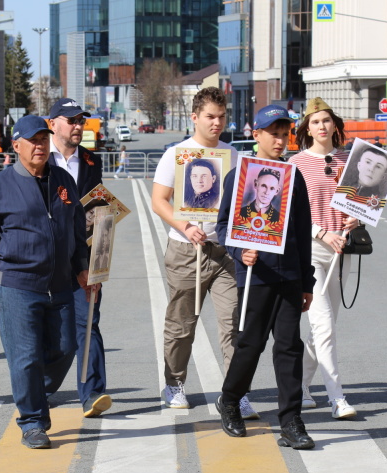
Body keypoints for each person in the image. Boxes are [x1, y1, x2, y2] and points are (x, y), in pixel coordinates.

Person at [0, 115, 90, 449]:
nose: (40, 146)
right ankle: (33, 421)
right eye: (33, 140)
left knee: (66, 347)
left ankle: (34, 390)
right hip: (19, 285)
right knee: (25, 357)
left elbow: (77, 229)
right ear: (17, 145)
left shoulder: (64, 180)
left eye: (44, 139)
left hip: (61, 284)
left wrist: (82, 267)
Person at [215, 104, 316, 449]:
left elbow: (303, 232)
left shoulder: (293, 177)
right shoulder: (239, 176)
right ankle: (230, 400)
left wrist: (307, 281)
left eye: (284, 132)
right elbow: (224, 225)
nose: (280, 139)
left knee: (289, 347)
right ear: (255, 134)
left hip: (288, 275)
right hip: (255, 274)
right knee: (250, 345)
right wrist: (238, 253)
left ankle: (291, 421)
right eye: (273, 133)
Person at [151, 87, 253, 417]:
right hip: (185, 250)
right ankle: (174, 384)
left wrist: (248, 239)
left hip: (224, 252)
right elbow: (159, 200)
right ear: (195, 117)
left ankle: (236, 392)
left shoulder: (234, 155)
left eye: (222, 117)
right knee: (182, 324)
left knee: (232, 324)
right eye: (210, 116)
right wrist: (185, 227)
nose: (217, 123)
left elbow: (244, 204)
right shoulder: (177, 154)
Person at [290, 98, 360, 419]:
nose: (321, 126)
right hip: (311, 250)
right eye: (315, 122)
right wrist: (321, 233)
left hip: (342, 251)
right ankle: (337, 399)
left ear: (334, 125)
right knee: (324, 326)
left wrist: (355, 219)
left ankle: (301, 387)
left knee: (326, 327)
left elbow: (363, 201)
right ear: (307, 128)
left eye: (326, 121)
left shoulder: (351, 159)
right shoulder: (297, 163)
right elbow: (292, 212)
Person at [48, 97, 111, 419]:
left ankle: (93, 393)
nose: (77, 126)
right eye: (71, 120)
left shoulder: (90, 161)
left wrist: (98, 262)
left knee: (88, 324)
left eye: (80, 120)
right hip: (49, 259)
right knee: (59, 336)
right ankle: (43, 386)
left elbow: (100, 209)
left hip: (84, 259)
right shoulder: (39, 158)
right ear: (52, 124)